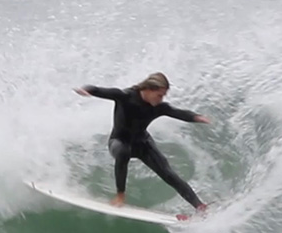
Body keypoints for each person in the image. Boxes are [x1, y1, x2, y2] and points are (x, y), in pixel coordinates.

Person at [75, 72, 211, 216]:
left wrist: (197, 117)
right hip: (119, 141)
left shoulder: (158, 107)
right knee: (123, 152)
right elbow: (100, 90)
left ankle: (199, 206)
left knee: (168, 173)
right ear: (149, 89)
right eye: (159, 95)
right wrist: (86, 90)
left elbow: (178, 113)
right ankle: (120, 195)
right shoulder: (125, 97)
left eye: (163, 96)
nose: (161, 99)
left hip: (143, 144)